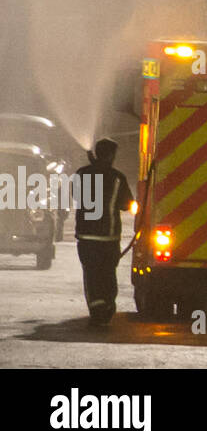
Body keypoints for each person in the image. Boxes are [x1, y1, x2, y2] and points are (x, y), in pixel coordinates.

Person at [74, 138, 134, 327]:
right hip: (108, 237)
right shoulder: (117, 177)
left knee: (91, 274)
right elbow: (126, 204)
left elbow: (76, 195)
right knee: (108, 273)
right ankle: (107, 307)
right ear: (111, 155)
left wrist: (94, 168)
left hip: (86, 237)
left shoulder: (81, 174)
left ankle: (96, 310)